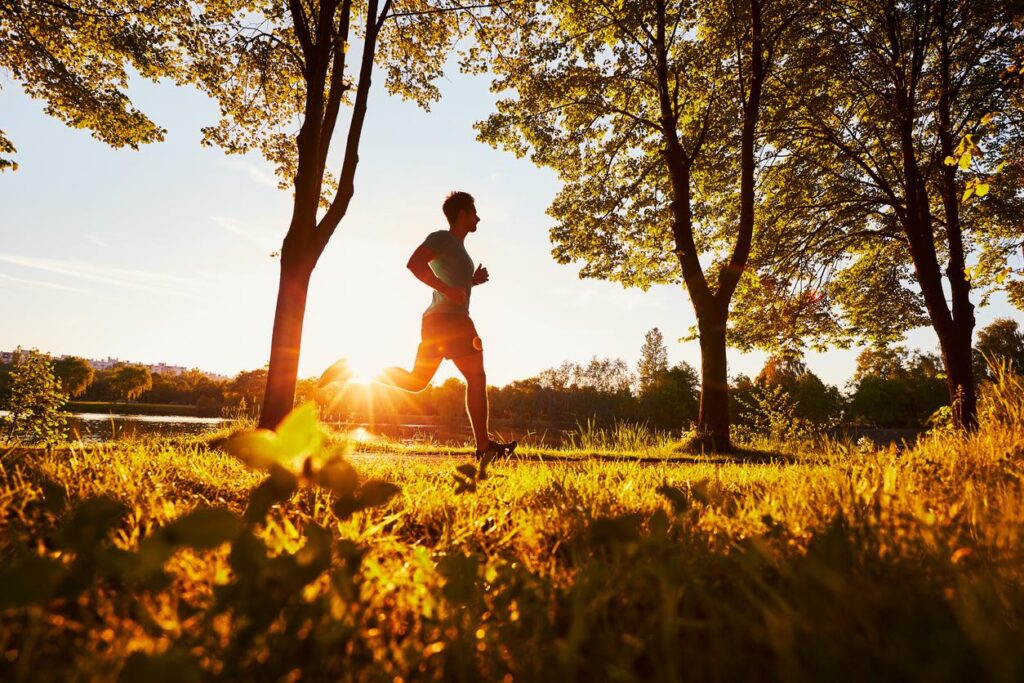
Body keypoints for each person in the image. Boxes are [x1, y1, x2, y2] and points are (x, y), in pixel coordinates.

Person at [320, 191, 515, 464]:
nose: (478, 218)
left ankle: (349, 370)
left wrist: (473, 281)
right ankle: (484, 448)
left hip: (440, 321)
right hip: (451, 320)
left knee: (416, 382)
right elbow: (414, 264)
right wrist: (449, 290)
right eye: (474, 212)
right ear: (461, 215)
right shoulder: (442, 238)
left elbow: (456, 285)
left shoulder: (458, 248)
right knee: (476, 377)